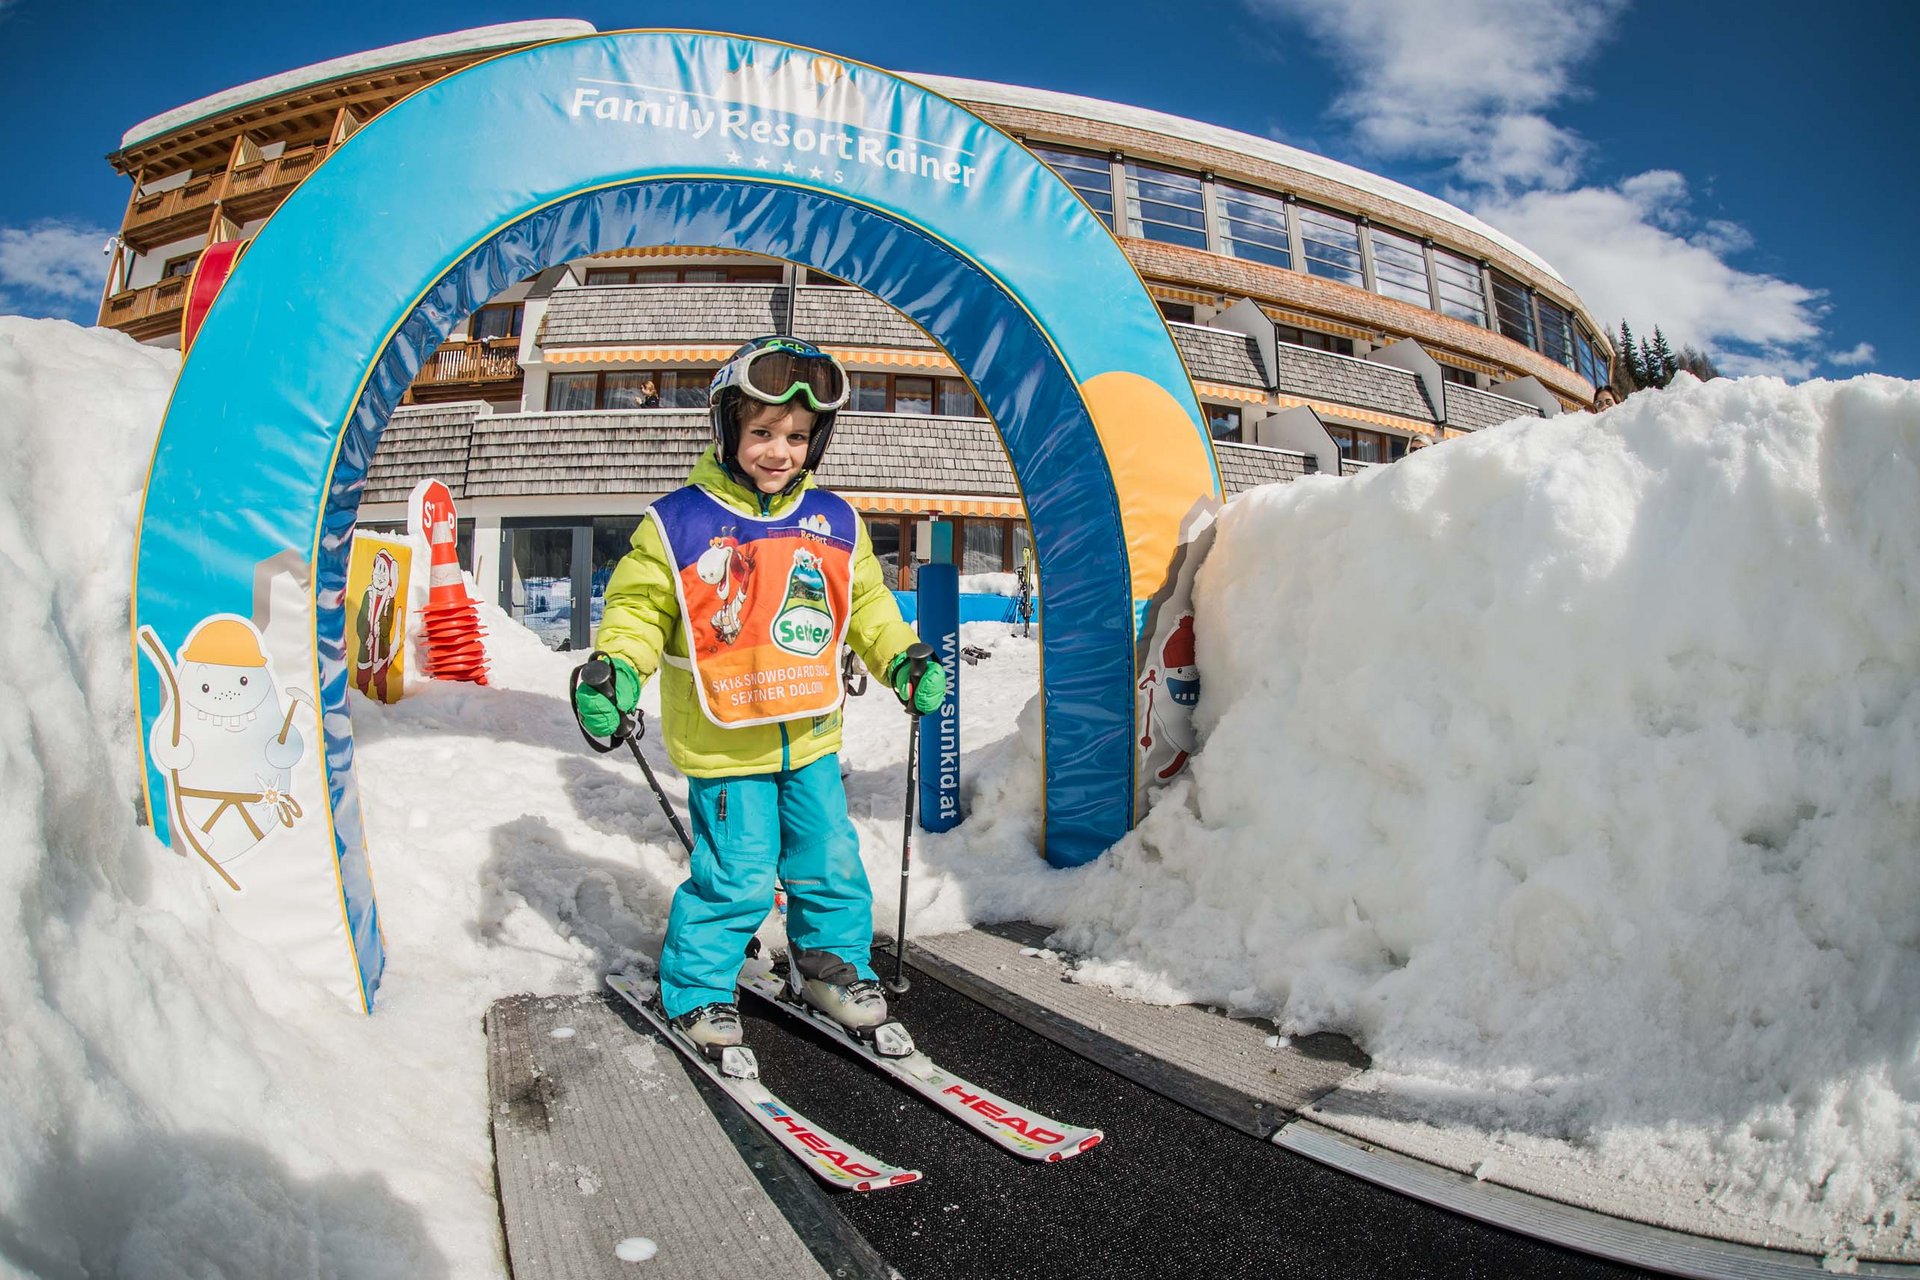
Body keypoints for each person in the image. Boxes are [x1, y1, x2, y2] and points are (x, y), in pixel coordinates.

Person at [572, 336, 945, 1052]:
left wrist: (901, 658)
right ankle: (699, 989)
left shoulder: (835, 521)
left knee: (828, 861)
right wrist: (616, 669)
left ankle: (832, 965)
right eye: (763, 433)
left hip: (807, 733)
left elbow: (867, 607)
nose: (780, 451)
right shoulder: (676, 522)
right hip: (724, 738)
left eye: (798, 437)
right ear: (728, 429)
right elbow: (639, 610)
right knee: (737, 874)